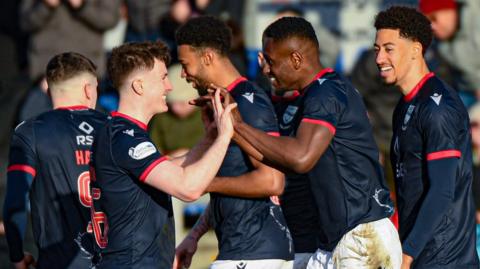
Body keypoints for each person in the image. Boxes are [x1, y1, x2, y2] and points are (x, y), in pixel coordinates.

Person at [215, 16, 401, 269]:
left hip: (362, 237)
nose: (266, 69)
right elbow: (281, 159)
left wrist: (240, 127)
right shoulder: (315, 94)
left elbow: (300, 158)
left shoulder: (325, 93)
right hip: (335, 240)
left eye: (271, 62)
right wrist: (235, 132)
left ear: (296, 60)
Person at [89, 41, 235, 268]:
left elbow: (169, 169)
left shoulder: (122, 132)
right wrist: (225, 135)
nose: (169, 86)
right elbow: (189, 188)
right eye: (163, 77)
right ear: (139, 86)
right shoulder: (125, 137)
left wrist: (209, 139)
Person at [173, 16, 293, 269]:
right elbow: (233, 180)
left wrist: (203, 182)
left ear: (207, 58)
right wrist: (194, 236)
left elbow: (272, 181)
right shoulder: (223, 104)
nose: (183, 74)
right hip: (244, 249)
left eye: (185, 64)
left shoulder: (248, 104)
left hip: (254, 252)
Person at [374, 6, 479, 269]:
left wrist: (406, 256)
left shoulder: (438, 108)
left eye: (389, 48)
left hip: (446, 260)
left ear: (416, 49)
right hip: (420, 255)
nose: (379, 58)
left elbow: (442, 192)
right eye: (377, 49)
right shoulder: (405, 105)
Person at [3, 52, 106, 269]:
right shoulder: (115, 128)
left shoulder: (30, 132)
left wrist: (16, 255)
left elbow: (15, 202)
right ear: (88, 89)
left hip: (59, 262)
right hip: (117, 261)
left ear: (49, 92)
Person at [418, 0, 480, 106]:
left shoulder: (476, 19)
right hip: (469, 91)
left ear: (450, 10)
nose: (433, 27)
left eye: (434, 18)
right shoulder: (441, 46)